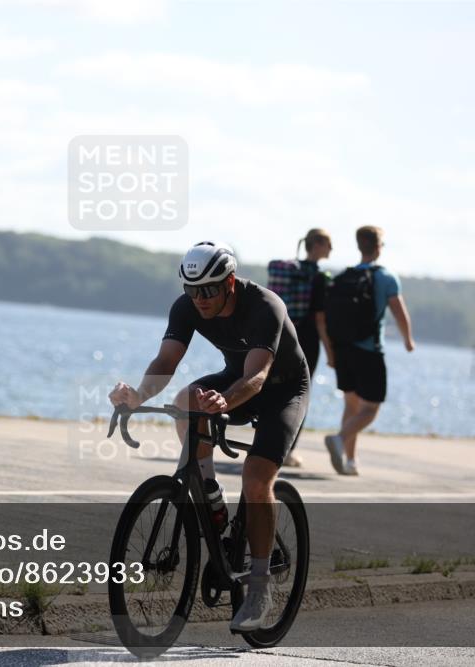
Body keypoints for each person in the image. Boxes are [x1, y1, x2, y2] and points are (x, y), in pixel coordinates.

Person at [109, 241, 310, 632]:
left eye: (208, 290)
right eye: (191, 290)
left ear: (229, 282)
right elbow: (166, 361)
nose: (199, 299)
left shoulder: (265, 306)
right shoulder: (187, 306)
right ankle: (211, 497)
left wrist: (226, 398)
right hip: (236, 383)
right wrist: (138, 394)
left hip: (282, 390)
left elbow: (257, 377)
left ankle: (259, 584)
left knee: (255, 479)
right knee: (187, 400)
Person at [324, 226, 415, 476]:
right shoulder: (386, 277)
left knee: (351, 405)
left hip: (343, 349)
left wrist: (331, 351)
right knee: (371, 408)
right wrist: (408, 339)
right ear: (378, 247)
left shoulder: (344, 277)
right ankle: (340, 439)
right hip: (369, 351)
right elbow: (398, 311)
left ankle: (349, 462)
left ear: (359, 246)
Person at [271, 229, 335, 467]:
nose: (332, 249)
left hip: (283, 337)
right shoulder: (319, 277)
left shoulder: (290, 272)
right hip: (307, 341)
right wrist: (330, 352)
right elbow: (320, 319)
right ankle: (287, 451)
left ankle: (267, 445)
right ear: (317, 245)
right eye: (329, 243)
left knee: (277, 391)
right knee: (300, 395)